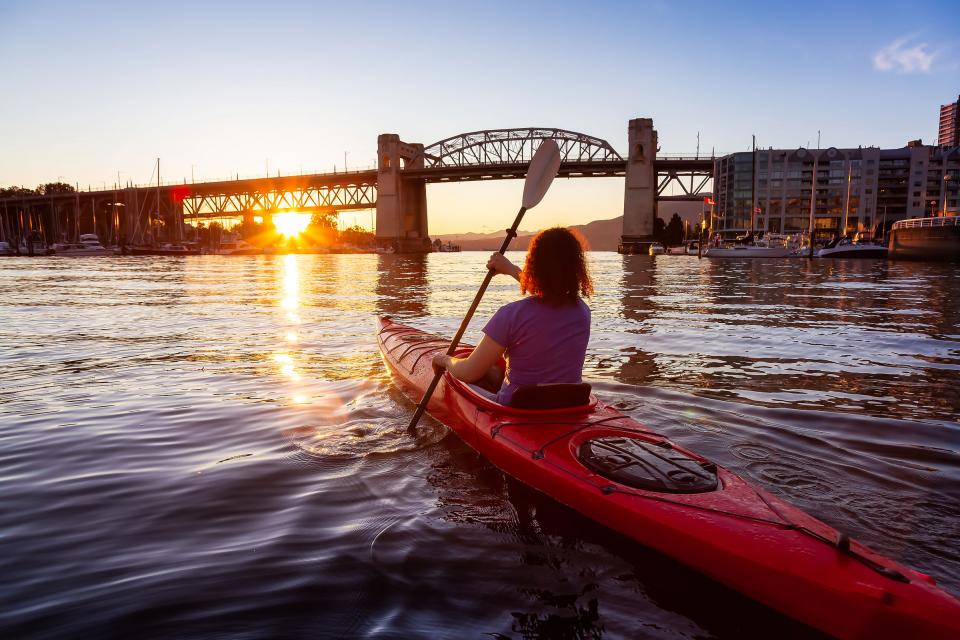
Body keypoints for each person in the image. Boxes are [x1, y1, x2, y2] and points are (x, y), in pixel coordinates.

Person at [432, 227, 593, 406]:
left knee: (461, 376)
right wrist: (510, 269)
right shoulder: (582, 312)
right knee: (494, 371)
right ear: (576, 266)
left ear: (534, 264)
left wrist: (445, 360)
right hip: (568, 404)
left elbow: (470, 372)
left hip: (517, 408)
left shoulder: (511, 315)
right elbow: (550, 291)